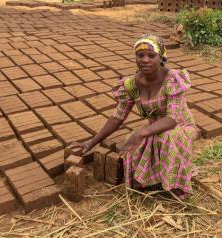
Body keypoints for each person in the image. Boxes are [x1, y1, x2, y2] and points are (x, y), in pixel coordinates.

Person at [70, 34, 198, 198]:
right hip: (154, 128)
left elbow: (172, 119)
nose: (145, 60)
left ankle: (177, 185)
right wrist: (92, 141)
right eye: (140, 55)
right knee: (134, 142)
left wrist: (141, 132)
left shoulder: (173, 79)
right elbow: (118, 116)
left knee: (165, 136)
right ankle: (151, 181)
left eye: (151, 55)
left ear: (161, 58)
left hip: (181, 127)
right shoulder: (131, 84)